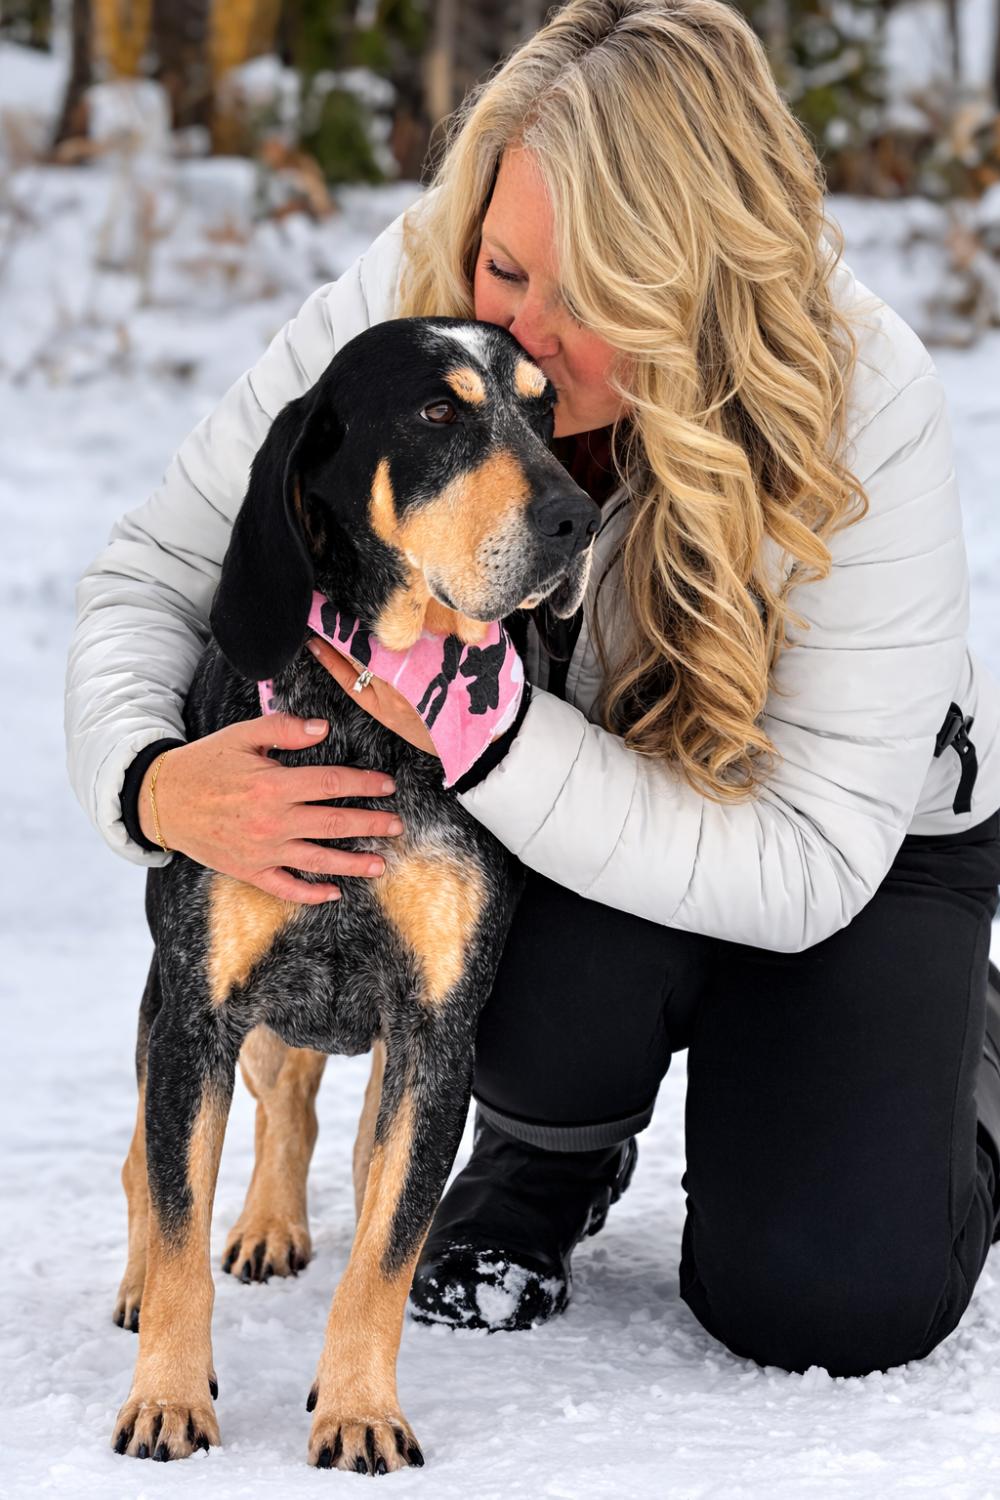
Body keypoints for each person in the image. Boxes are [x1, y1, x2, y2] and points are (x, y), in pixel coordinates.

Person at [66, 0, 1000, 1379]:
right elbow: (155, 570)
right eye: (509, 269)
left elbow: (809, 861)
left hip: (841, 858)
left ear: (698, 283)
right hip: (570, 823)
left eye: (602, 299)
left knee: (826, 1298)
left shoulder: (858, 395)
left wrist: (488, 737)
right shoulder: (430, 304)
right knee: (453, 958)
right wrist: (153, 782)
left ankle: (954, 1076)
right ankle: (550, 1155)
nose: (532, 343)